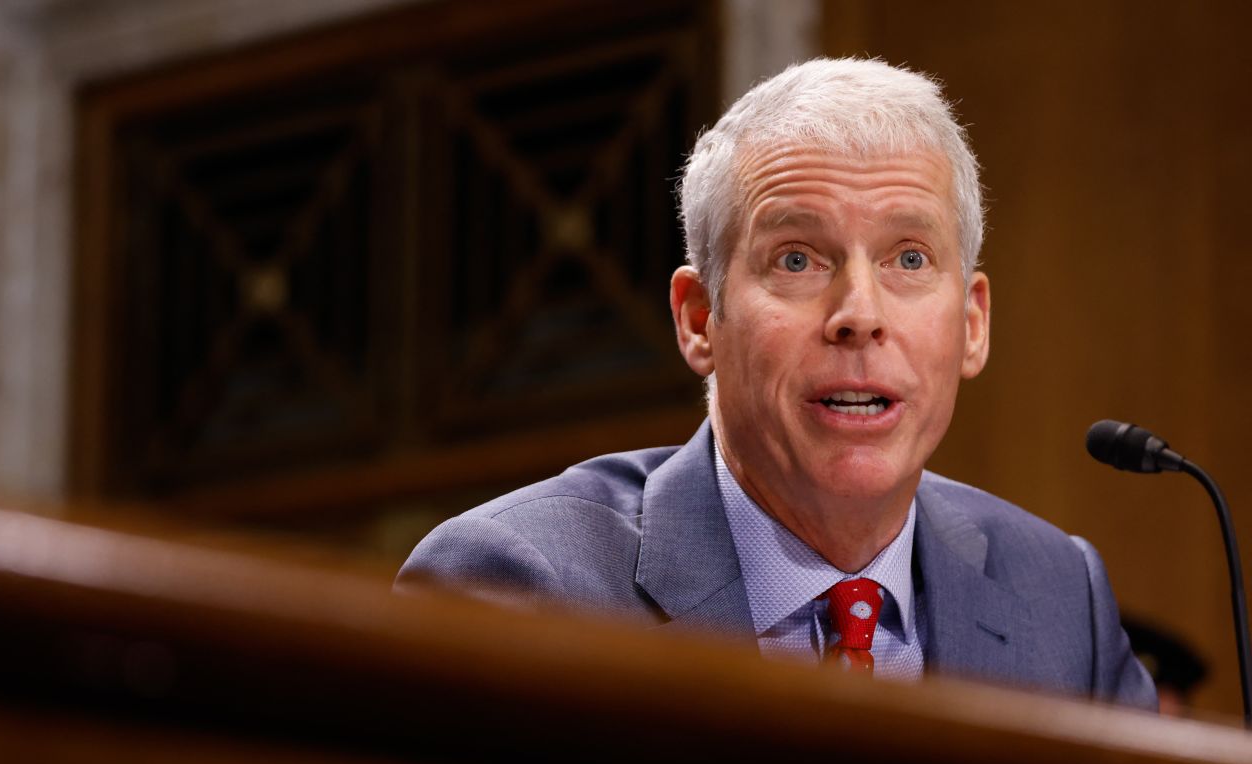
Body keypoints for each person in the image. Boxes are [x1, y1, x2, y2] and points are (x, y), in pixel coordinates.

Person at [399, 57, 1156, 709]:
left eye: (910, 258)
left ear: (972, 323)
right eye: (797, 259)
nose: (859, 315)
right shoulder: (524, 590)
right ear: (699, 319)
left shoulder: (1062, 604)